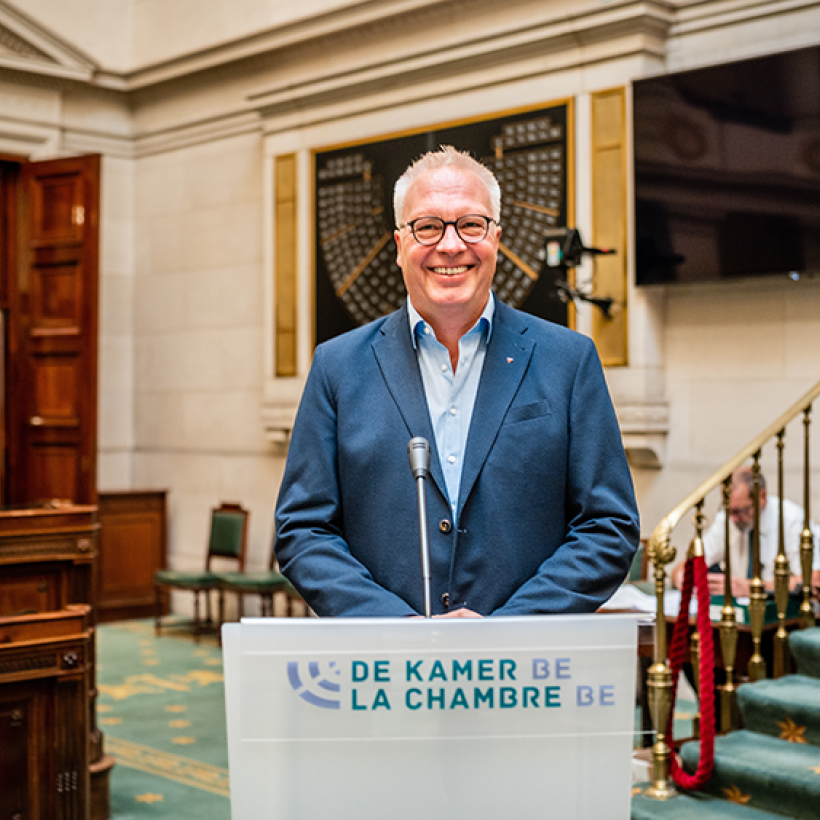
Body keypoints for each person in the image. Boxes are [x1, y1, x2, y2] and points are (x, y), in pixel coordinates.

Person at [274, 145, 640, 617]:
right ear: (400, 244)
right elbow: (303, 530)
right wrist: (399, 628)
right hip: (383, 669)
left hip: (523, 670)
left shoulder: (568, 361)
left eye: (471, 224)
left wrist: (504, 630)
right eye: (428, 227)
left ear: (497, 239)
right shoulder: (337, 367)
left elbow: (607, 525)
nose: (451, 245)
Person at [672, 466, 820, 597]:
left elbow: (814, 579)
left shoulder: (791, 519)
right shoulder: (726, 520)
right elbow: (688, 565)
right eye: (729, 510)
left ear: (762, 497)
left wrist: (752, 587)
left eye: (742, 511)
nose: (735, 519)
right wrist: (681, 576)